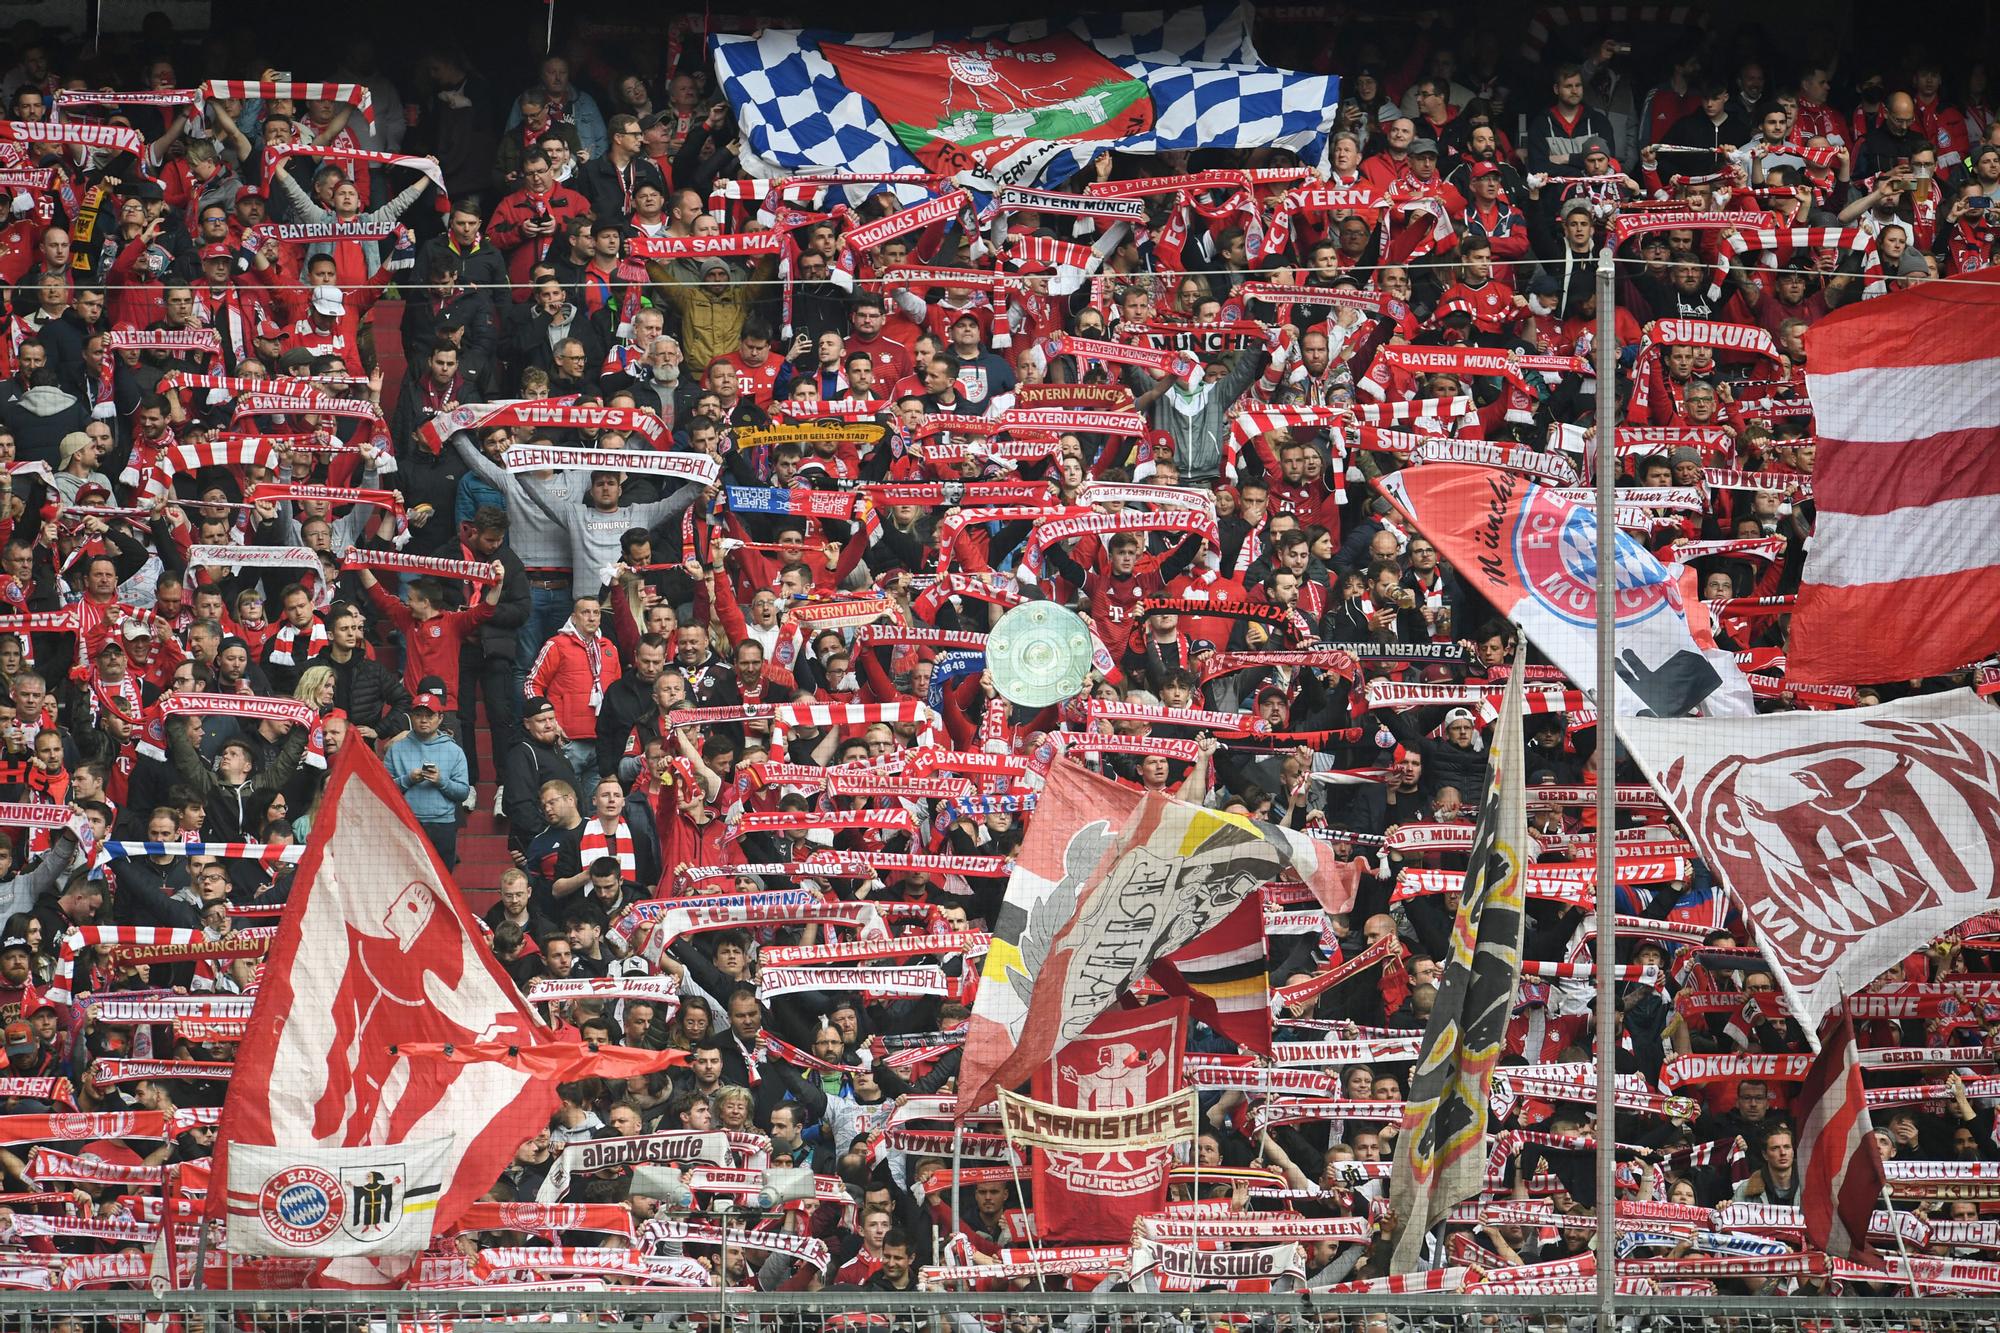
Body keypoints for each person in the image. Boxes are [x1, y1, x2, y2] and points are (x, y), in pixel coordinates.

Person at [384, 678, 472, 866]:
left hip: (443, 825)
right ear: (412, 717)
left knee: (443, 881)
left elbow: (463, 791)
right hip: (408, 823)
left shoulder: (454, 750)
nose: (424, 720)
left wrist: (441, 781)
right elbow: (383, 789)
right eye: (418, 715)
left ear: (440, 718)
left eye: (429, 715)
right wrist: (408, 780)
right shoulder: (396, 749)